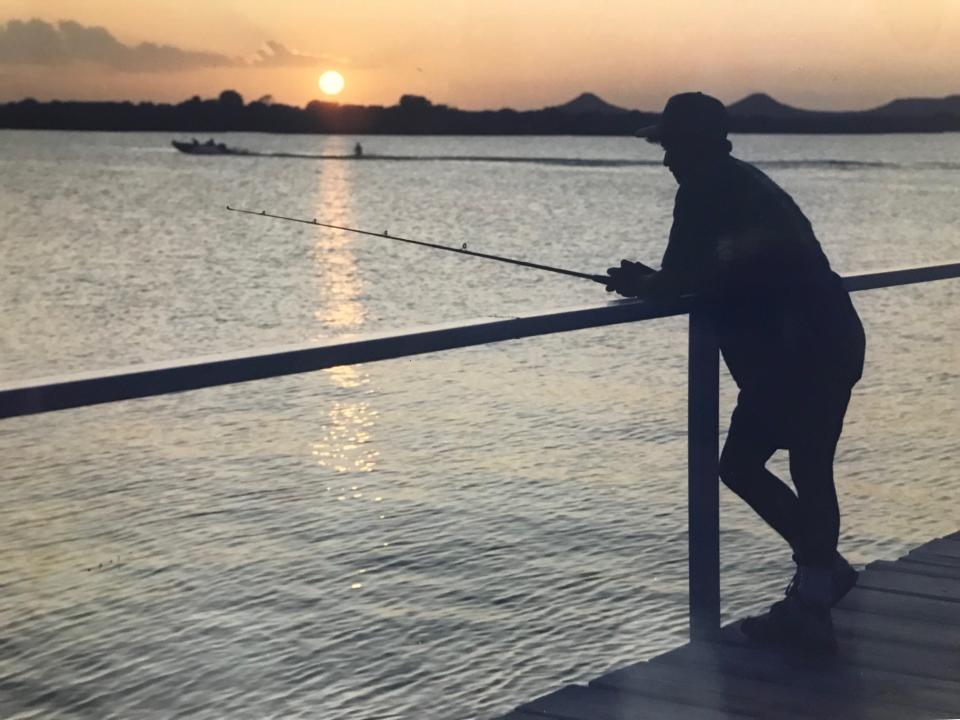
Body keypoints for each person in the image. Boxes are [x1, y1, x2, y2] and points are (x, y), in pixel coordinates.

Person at [605, 92, 866, 654]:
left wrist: (639, 283)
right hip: (831, 335)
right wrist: (660, 279)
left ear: (693, 145)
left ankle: (818, 590)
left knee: (744, 465)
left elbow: (677, 280)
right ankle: (817, 590)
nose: (666, 159)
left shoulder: (702, 190)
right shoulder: (745, 181)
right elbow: (721, 266)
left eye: (670, 146)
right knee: (810, 467)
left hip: (795, 352)